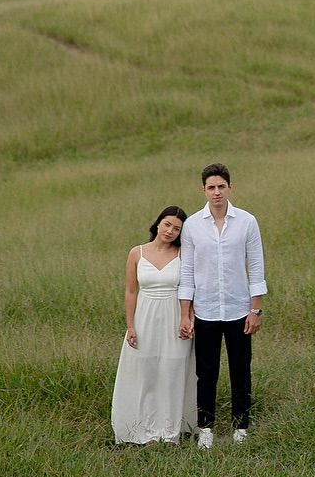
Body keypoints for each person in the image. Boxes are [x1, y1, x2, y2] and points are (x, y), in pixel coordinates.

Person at [177, 164, 267, 448]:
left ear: (230, 188)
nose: (216, 192)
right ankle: (206, 428)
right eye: (211, 187)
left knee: (241, 370)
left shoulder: (247, 222)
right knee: (206, 372)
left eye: (221, 186)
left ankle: (241, 427)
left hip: (239, 310)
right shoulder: (192, 225)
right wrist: (185, 313)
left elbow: (256, 266)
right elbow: (187, 272)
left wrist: (255, 309)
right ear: (203, 190)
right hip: (205, 311)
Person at [111, 204, 196, 444]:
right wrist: (131, 326)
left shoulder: (184, 255)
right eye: (167, 224)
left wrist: (188, 318)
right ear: (158, 223)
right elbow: (130, 292)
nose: (170, 231)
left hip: (174, 316)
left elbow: (190, 289)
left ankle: (169, 431)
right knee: (145, 371)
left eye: (176, 229)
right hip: (145, 316)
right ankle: (141, 428)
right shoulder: (137, 253)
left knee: (172, 370)